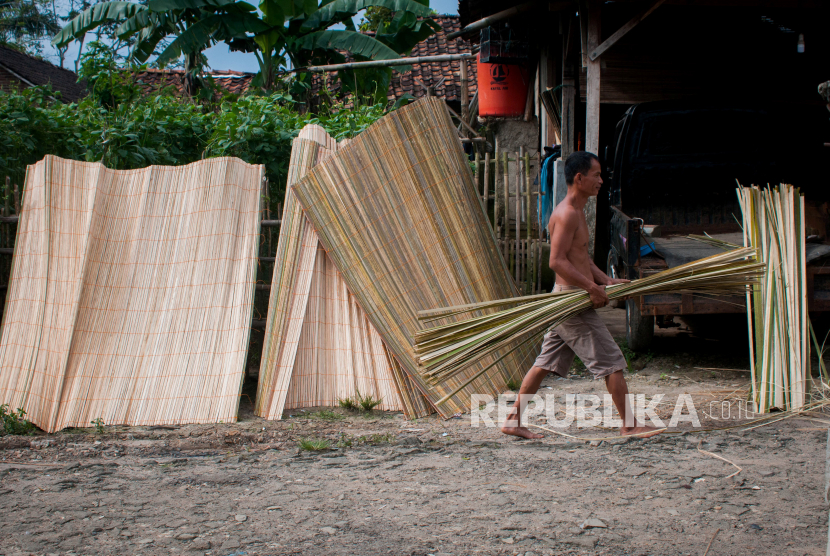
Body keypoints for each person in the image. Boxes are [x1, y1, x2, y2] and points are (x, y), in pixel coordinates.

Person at [501, 151, 661, 440]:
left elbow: (581, 258)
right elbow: (557, 261)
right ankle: (630, 424)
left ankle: (513, 420)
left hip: (568, 297)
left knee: (544, 363)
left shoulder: (578, 211)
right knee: (612, 361)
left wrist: (606, 279)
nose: (601, 181)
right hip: (572, 302)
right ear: (579, 177)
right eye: (596, 175)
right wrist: (591, 288)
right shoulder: (566, 214)